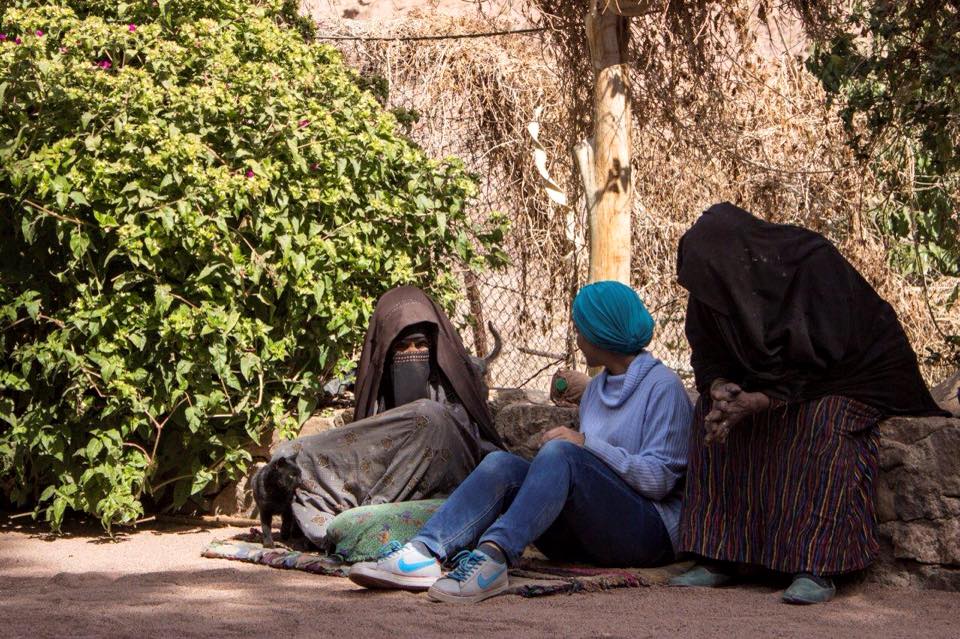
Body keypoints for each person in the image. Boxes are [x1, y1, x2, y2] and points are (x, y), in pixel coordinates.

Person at [670, 203, 948, 604]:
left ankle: (817, 566)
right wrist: (720, 388)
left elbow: (827, 354)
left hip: (851, 376)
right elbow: (707, 351)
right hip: (771, 382)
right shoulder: (711, 288)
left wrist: (762, 400)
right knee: (711, 419)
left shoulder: (811, 262)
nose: (702, 292)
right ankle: (721, 557)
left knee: (820, 420)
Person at [348, 281, 693, 603]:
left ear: (601, 332)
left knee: (564, 452)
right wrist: (572, 452)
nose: (577, 337)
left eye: (581, 329)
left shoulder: (663, 388)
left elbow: (660, 481)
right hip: (591, 535)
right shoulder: (597, 391)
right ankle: (423, 553)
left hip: (648, 535)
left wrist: (585, 444)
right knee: (502, 463)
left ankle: (493, 559)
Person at [273, 285, 503, 547]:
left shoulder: (455, 381)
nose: (412, 352)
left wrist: (433, 425)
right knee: (289, 455)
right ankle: (362, 519)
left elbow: (479, 451)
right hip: (384, 478)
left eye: (421, 345)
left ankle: (368, 519)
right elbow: (363, 447)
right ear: (387, 351)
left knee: (429, 415)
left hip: (446, 488)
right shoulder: (378, 391)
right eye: (402, 347)